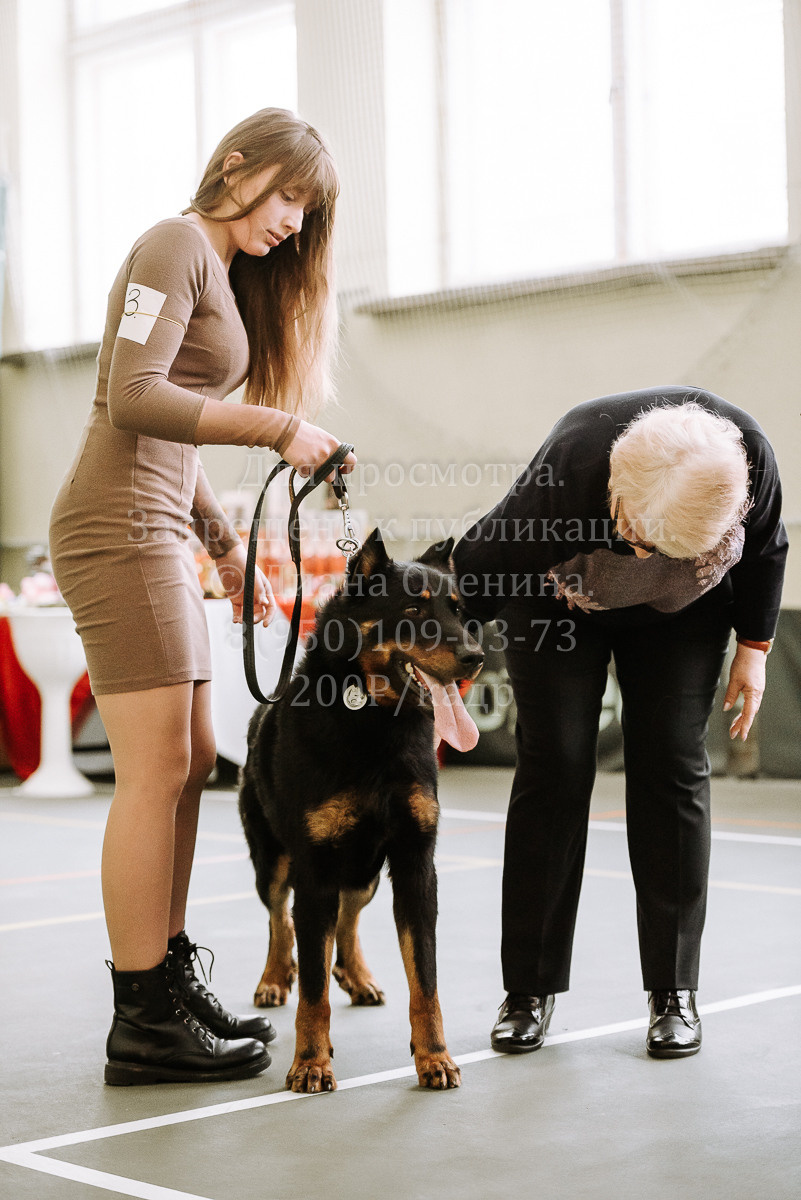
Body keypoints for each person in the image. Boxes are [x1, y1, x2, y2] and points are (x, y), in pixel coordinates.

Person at [49, 108, 357, 1086]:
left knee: (182, 763)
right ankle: (143, 1014)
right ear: (238, 165)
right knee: (154, 772)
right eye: (291, 197)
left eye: (310, 212)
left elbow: (171, 441)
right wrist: (274, 429)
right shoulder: (173, 243)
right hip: (112, 528)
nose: (296, 226)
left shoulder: (211, 267)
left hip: (156, 529)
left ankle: (166, 984)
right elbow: (133, 396)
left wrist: (225, 548)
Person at [453, 387, 786, 1059]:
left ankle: (673, 990)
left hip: (684, 613)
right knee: (556, 765)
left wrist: (752, 654)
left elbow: (766, 551)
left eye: (654, 548)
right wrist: (448, 667)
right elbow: (477, 569)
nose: (640, 556)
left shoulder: (749, 459)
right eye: (634, 538)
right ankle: (528, 989)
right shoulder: (574, 461)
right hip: (556, 605)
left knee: (671, 763)